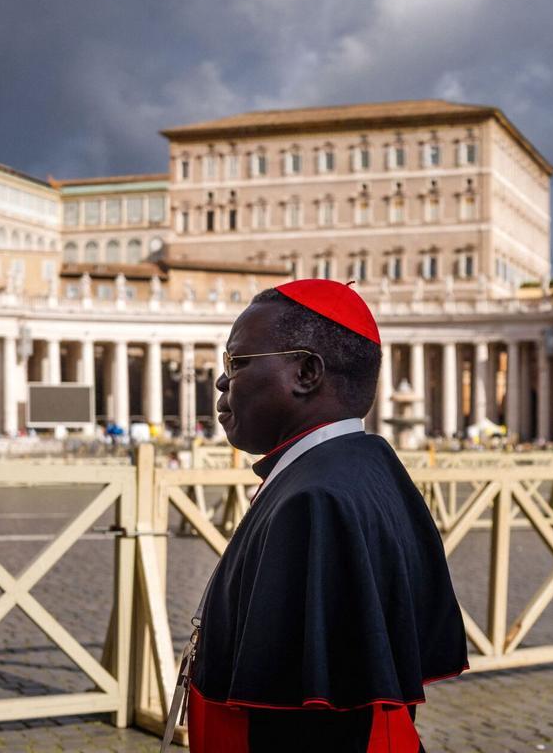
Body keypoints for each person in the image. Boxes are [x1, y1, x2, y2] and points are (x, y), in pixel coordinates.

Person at [182, 280, 467, 753]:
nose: (221, 381)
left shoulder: (316, 501)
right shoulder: (365, 465)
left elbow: (316, 720)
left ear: (306, 373)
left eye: (236, 362)